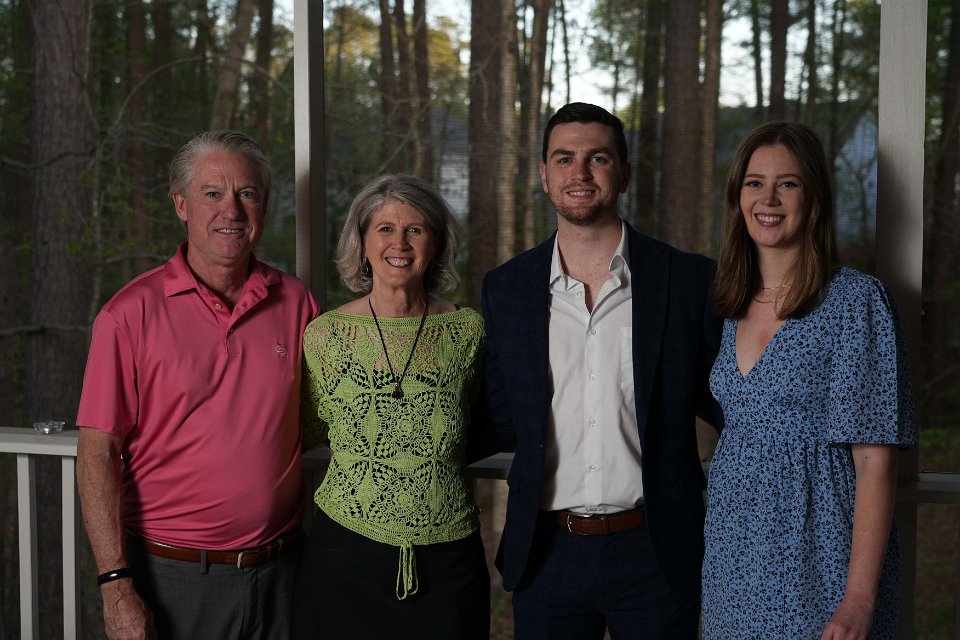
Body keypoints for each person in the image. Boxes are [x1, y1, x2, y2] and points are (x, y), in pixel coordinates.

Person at [480, 102, 723, 639]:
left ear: (625, 173)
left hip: (657, 550)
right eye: (564, 159)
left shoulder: (687, 281)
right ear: (544, 175)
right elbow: (497, 415)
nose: (580, 173)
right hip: (547, 553)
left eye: (598, 158)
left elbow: (733, 406)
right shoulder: (507, 288)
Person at [75, 130, 319, 640]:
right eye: (212, 193)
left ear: (264, 205)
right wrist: (115, 586)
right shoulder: (128, 315)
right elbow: (97, 452)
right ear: (181, 205)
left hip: (285, 573)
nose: (231, 209)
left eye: (247, 193)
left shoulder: (299, 304)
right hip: (173, 578)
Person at [700, 121, 916, 639]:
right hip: (733, 562)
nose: (768, 199)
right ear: (737, 196)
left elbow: (876, 462)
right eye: (755, 183)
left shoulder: (855, 302)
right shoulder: (730, 302)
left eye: (788, 183)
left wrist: (858, 598)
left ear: (813, 196)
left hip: (820, 561)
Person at [293, 174, 489, 639]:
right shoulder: (325, 337)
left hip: (450, 561)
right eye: (385, 229)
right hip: (345, 558)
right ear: (362, 243)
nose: (399, 243)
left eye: (415, 229)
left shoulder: (467, 332)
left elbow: (484, 422)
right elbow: (304, 430)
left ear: (435, 244)